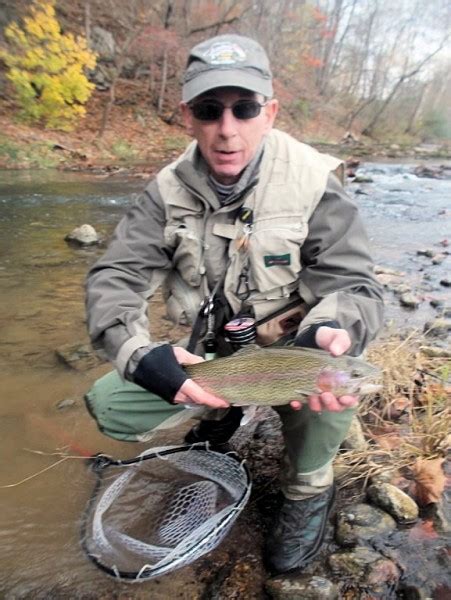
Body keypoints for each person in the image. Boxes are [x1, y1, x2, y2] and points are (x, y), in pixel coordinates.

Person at [84, 33, 384, 575]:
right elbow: (116, 277)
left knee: (330, 393)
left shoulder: (316, 182)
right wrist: (137, 353)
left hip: (293, 353)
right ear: (187, 116)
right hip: (212, 361)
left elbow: (356, 285)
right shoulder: (163, 193)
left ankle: (308, 489)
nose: (227, 129)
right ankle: (223, 415)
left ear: (269, 113)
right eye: (209, 109)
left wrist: (331, 331)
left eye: (244, 109)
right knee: (111, 403)